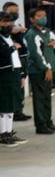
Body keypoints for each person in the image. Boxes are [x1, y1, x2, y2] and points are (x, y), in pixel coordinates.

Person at [25, 6, 55, 135]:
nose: (43, 18)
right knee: (40, 98)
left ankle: (48, 122)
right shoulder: (32, 34)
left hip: (48, 69)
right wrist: (46, 68)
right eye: (39, 16)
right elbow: (36, 55)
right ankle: (41, 125)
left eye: (44, 15)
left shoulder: (46, 31)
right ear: (32, 19)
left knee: (47, 97)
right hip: (39, 70)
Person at [0, 13, 26, 147]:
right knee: (4, 105)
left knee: (11, 105)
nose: (8, 25)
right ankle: (3, 134)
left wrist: (21, 74)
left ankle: (9, 132)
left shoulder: (10, 37)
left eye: (10, 22)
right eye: (4, 22)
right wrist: (13, 47)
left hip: (14, 72)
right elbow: (3, 54)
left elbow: (18, 56)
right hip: (4, 74)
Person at [2, 1, 30, 122]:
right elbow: (14, 30)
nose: (15, 13)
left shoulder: (16, 25)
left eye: (16, 11)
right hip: (11, 61)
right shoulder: (7, 29)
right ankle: (15, 112)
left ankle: (19, 110)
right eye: (12, 11)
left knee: (20, 85)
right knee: (13, 90)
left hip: (21, 58)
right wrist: (19, 29)